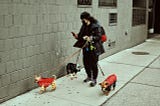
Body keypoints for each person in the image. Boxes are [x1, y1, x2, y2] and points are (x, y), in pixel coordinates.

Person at [72, 11, 105, 87]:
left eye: (83, 19)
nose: (82, 21)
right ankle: (89, 76)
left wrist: (90, 38)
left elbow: (99, 36)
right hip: (86, 47)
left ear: (87, 18)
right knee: (86, 63)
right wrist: (77, 36)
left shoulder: (96, 26)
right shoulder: (84, 26)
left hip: (94, 48)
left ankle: (94, 79)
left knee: (93, 64)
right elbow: (81, 35)